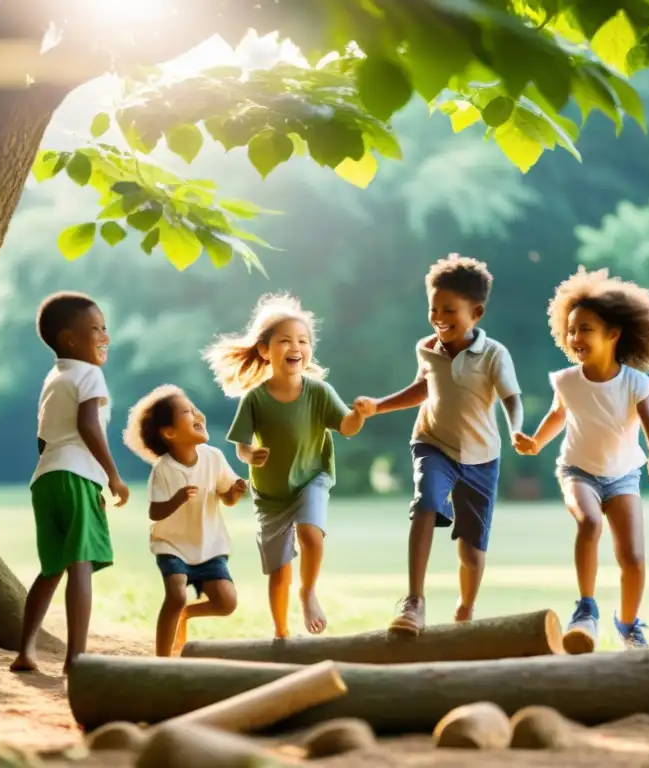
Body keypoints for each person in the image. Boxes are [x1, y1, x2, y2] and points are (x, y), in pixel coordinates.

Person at [353, 254, 523, 635]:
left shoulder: (494, 354)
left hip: (482, 457)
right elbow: (423, 389)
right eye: (433, 308)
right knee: (427, 503)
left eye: (450, 310)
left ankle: (465, 609)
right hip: (432, 444)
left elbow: (511, 398)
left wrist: (516, 430)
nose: (439, 317)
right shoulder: (426, 348)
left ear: (476, 313)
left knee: (472, 551)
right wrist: (379, 406)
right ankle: (414, 600)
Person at [512, 266, 649, 653]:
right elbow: (557, 415)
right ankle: (586, 610)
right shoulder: (567, 380)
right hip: (577, 470)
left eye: (585, 328)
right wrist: (535, 442)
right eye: (571, 329)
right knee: (589, 523)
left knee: (632, 558)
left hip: (623, 477)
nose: (574, 337)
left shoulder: (635, 383)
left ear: (613, 334)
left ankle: (629, 625)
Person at [203, 293, 369, 639]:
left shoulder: (320, 392)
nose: (296, 346)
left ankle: (308, 593)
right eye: (285, 340)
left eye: (303, 341)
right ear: (265, 350)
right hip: (271, 492)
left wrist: (359, 415)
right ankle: (280, 634)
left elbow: (347, 428)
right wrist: (250, 455)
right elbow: (241, 446)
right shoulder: (256, 398)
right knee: (279, 570)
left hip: (312, 476)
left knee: (310, 533)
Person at [11, 291, 130, 675]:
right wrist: (112, 475)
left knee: (51, 568)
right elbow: (88, 425)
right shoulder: (90, 374)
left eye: (105, 327)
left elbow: (44, 437)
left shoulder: (55, 377)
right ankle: (76, 658)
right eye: (95, 328)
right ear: (70, 339)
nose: (105, 336)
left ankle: (25, 651)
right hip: (76, 475)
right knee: (80, 564)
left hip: (46, 479)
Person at [123, 384, 248, 657]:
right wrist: (177, 499)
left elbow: (226, 498)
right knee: (176, 595)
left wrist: (235, 491)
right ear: (169, 433)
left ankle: (186, 615)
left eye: (194, 408)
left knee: (227, 602)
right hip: (172, 545)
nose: (197, 414)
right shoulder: (164, 469)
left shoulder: (213, 457)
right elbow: (155, 512)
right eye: (187, 411)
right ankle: (163, 659)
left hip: (208, 546)